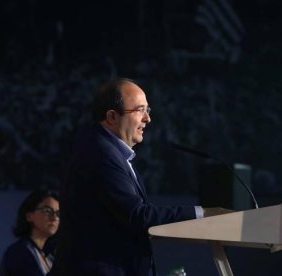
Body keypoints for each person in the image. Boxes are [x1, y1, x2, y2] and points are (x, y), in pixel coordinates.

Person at [51, 78, 212, 276]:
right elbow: (136, 216)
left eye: (148, 110)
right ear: (112, 116)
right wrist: (202, 214)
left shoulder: (108, 151)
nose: (148, 119)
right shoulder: (101, 155)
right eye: (140, 110)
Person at [0, 190, 60, 276]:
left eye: (58, 213)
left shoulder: (50, 257)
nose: (54, 217)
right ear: (29, 216)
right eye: (47, 210)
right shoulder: (18, 253)